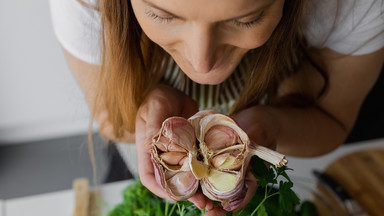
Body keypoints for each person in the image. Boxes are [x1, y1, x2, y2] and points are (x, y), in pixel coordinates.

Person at [50, 0, 384, 214]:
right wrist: (145, 108)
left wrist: (274, 125)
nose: (202, 63)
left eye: (247, 19)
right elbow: (110, 118)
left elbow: (331, 120)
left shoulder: (350, 5)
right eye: (161, 15)